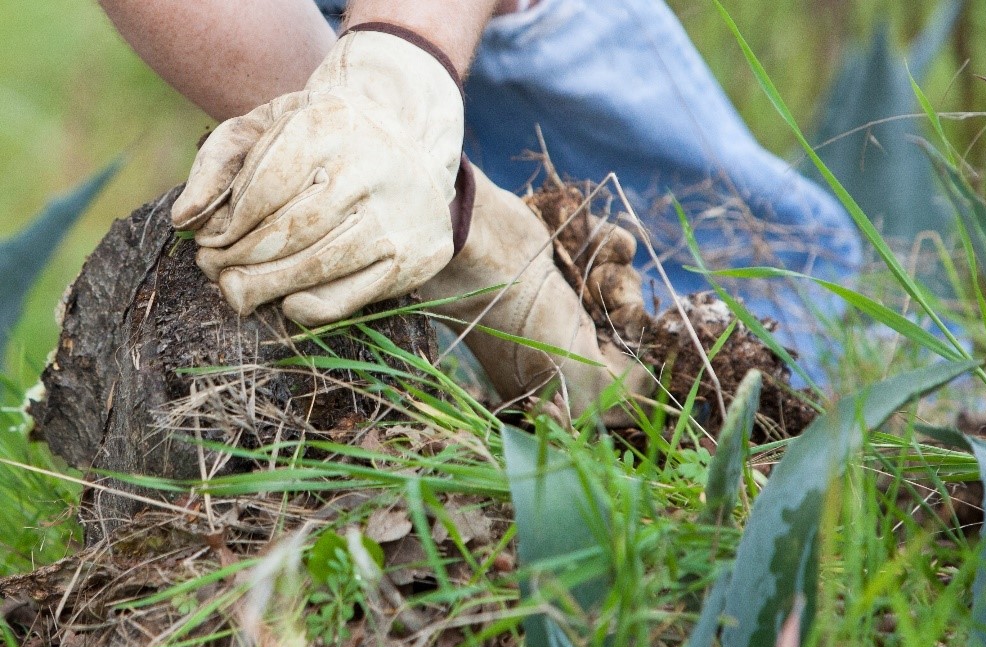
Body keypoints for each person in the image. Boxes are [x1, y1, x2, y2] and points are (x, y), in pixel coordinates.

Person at [96, 0, 860, 418]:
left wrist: (404, 61)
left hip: (505, 38)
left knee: (781, 373)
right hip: (294, 45)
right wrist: (422, 187)